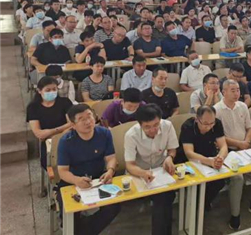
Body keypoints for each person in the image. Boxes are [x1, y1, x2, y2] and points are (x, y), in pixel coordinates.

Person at [214, 80, 251, 229]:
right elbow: (217, 137)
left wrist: (246, 142)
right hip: (227, 151)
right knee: (238, 177)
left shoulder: (242, 106)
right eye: (232, 90)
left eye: (238, 90)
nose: (236, 93)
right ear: (224, 92)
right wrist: (239, 144)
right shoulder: (217, 110)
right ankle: (235, 215)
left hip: (246, 148)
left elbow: (249, 128)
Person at [57, 104, 121, 235]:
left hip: (99, 178)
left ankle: (86, 231)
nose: (88, 122)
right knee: (70, 213)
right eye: (82, 119)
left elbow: (111, 158)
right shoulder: (66, 141)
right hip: (73, 181)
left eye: (89, 116)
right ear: (73, 125)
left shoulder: (104, 133)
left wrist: (110, 171)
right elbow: (62, 171)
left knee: (114, 206)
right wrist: (76, 180)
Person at [125, 104, 179, 235]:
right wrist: (143, 173)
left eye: (156, 125)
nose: (153, 130)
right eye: (147, 127)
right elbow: (129, 165)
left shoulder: (167, 126)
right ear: (140, 125)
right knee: (163, 200)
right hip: (139, 173)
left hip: (160, 170)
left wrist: (169, 158)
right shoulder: (131, 135)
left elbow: (172, 149)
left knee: (165, 197)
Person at [179, 106, 229, 217]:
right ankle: (193, 209)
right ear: (197, 119)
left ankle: (204, 203)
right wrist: (209, 161)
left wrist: (220, 158)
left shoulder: (217, 124)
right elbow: (189, 153)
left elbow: (223, 146)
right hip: (189, 161)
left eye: (212, 123)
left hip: (209, 156)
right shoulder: (188, 126)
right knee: (195, 184)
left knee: (220, 181)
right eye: (205, 124)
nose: (209, 127)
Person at [26, 76, 72, 169]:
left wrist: (51, 133)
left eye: (54, 89)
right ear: (39, 91)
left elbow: (72, 124)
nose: (52, 92)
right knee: (51, 164)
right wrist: (61, 130)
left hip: (68, 138)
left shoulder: (65, 102)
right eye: (48, 90)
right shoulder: (33, 107)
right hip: (48, 144)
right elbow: (39, 134)